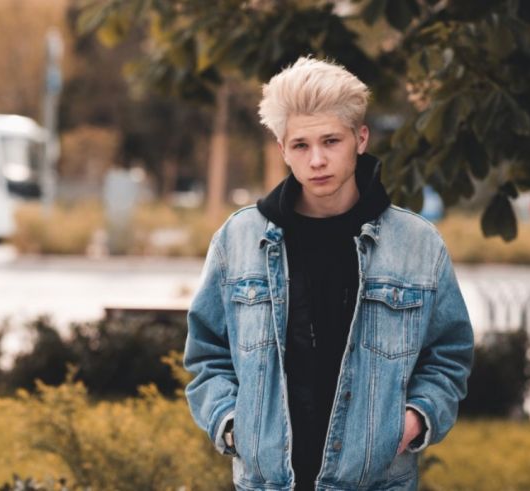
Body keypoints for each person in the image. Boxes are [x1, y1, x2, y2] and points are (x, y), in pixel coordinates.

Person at [183, 57, 474, 491]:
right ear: (282, 149)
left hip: (377, 482)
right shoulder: (238, 239)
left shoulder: (417, 244)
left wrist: (416, 418)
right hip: (266, 482)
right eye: (300, 145)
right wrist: (230, 424)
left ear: (360, 138)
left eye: (331, 141)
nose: (317, 160)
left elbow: (448, 354)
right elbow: (207, 353)